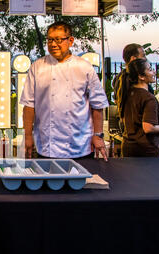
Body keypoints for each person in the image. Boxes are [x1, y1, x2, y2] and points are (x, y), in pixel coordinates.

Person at [20, 21, 109, 161]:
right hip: (47, 145)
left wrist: (98, 136)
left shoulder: (84, 67)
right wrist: (28, 136)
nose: (53, 44)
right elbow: (29, 105)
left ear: (70, 40)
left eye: (59, 40)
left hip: (80, 144)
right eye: (50, 40)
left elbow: (97, 105)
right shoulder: (37, 67)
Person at [113, 44, 159, 131]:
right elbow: (144, 114)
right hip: (140, 134)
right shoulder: (138, 89)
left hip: (129, 131)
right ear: (134, 58)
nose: (145, 58)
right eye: (143, 55)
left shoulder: (121, 78)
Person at [119, 58, 159, 157]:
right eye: (150, 69)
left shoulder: (128, 93)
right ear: (141, 76)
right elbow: (148, 128)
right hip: (145, 152)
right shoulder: (148, 98)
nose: (154, 72)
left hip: (128, 147)